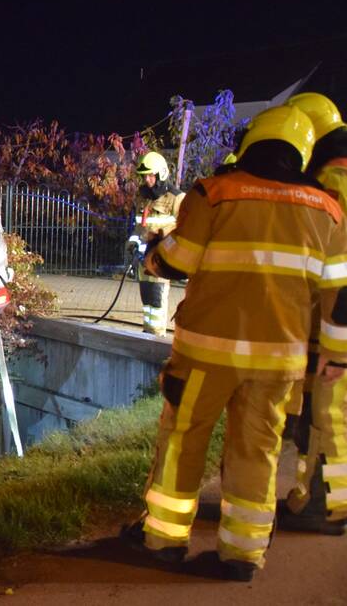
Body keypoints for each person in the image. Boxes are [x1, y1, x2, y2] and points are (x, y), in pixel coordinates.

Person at [123, 105, 347, 581]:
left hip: (205, 354)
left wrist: (154, 261)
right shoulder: (327, 210)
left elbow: (179, 260)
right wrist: (335, 356)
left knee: (185, 440)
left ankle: (163, 539)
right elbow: (338, 297)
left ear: (252, 142)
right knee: (257, 451)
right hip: (278, 365)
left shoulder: (215, 192)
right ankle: (242, 555)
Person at [281, 92, 347, 535]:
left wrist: (335, 351)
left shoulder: (333, 182)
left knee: (330, 417)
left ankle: (327, 506)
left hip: (338, 330)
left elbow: (339, 275)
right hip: (333, 324)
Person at [129, 151, 185, 336]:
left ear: (161, 174)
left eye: (151, 175)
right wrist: (132, 243)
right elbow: (139, 226)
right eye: (145, 176)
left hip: (161, 257)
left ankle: (157, 335)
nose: (147, 180)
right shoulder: (143, 197)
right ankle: (148, 331)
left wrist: (164, 240)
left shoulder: (176, 198)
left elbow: (185, 229)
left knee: (157, 296)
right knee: (147, 296)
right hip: (144, 257)